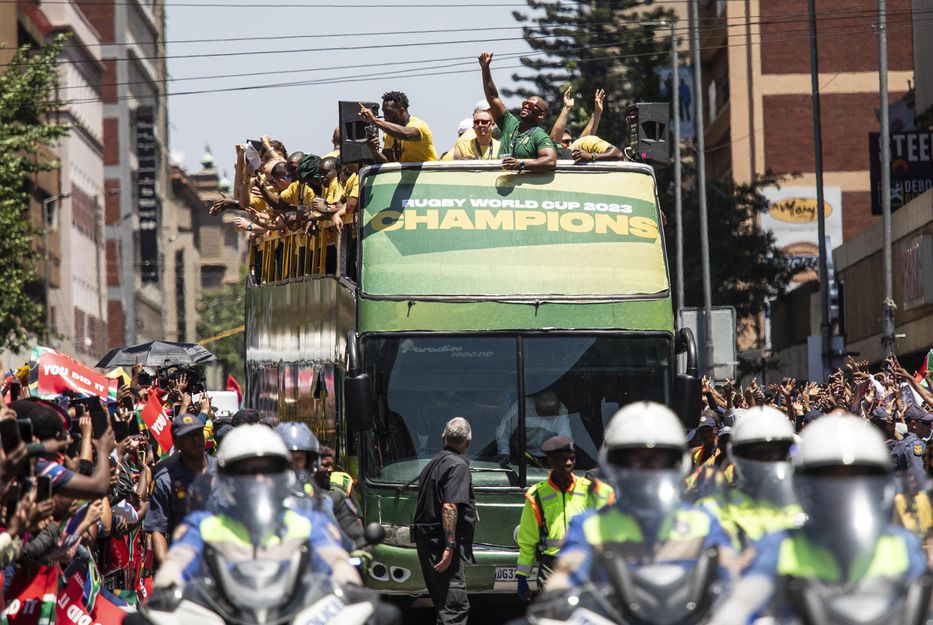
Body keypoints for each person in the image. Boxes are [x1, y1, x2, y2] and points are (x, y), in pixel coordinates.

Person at [707, 413, 929, 625]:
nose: (843, 492)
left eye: (858, 479)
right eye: (829, 481)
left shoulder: (903, 546)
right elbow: (736, 608)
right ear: (804, 488)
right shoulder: (780, 547)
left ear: (882, 487)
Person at [546, 402, 737, 594]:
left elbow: (733, 578)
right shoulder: (588, 527)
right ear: (614, 464)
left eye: (658, 460)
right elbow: (563, 579)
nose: (646, 470)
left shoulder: (703, 523)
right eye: (632, 460)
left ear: (677, 464)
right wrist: (555, 604)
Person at [153, 424, 360, 590]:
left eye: (268, 471)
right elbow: (177, 564)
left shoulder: (306, 522)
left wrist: (352, 591)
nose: (258, 479)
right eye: (246, 471)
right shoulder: (203, 526)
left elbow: (335, 561)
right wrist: (165, 593)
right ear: (227, 479)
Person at [514, 436, 614, 601]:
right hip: (551, 567)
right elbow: (528, 540)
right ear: (551, 460)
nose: (569, 463)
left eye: (572, 458)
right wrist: (522, 575)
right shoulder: (536, 495)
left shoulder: (591, 490)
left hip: (584, 563)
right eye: (563, 459)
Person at [699, 407, 804, 550]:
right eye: (756, 453)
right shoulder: (716, 509)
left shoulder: (804, 510)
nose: (766, 461)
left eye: (775, 453)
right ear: (738, 455)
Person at [412, 417, 476, 625]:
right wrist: (449, 547)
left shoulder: (433, 464)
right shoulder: (458, 466)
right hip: (441, 545)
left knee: (444, 603)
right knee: (454, 605)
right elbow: (449, 506)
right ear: (468, 441)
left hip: (428, 542)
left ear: (443, 438)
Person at [143, 413, 217, 568]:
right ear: (176, 443)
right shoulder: (165, 480)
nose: (196, 440)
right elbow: (158, 529)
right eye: (188, 437)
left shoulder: (224, 472)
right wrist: (167, 568)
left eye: (198, 434)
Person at [477, 52, 557, 172]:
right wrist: (485, 69)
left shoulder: (539, 135)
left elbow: (550, 160)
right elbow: (493, 98)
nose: (525, 107)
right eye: (524, 103)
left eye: (531, 105)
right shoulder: (509, 123)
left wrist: (521, 164)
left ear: (540, 115)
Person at [495, 389, 573, 463]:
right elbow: (503, 431)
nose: (554, 417)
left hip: (548, 459)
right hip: (521, 456)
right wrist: (504, 453)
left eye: (554, 414)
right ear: (538, 409)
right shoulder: (521, 407)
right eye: (548, 415)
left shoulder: (560, 411)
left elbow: (565, 437)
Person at [359, 91, 437, 163]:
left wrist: (374, 120)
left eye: (388, 112)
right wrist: (374, 151)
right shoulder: (389, 134)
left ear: (401, 111)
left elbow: (407, 134)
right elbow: (387, 162)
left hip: (426, 175)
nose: (385, 117)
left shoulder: (418, 125)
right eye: (384, 112)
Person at [548, 88, 622, 163]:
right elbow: (554, 138)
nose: (570, 144)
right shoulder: (551, 153)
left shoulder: (575, 154)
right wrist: (567, 108)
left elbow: (584, 139)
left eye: (571, 141)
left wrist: (597, 114)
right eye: (566, 141)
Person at [315, 446, 367, 551]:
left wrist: (361, 551)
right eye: (325, 465)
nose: (330, 470)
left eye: (331, 465)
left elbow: (356, 522)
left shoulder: (341, 486)